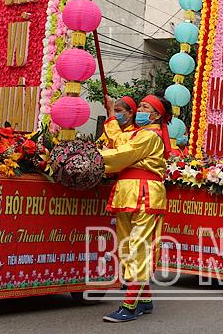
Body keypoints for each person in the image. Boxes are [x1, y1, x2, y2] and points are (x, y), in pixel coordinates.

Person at [100, 94, 171, 322]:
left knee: (138, 247)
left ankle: (129, 305)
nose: (139, 110)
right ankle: (145, 299)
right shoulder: (138, 134)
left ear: (156, 115)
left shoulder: (150, 136)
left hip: (144, 193)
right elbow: (119, 140)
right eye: (140, 106)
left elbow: (123, 153)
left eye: (144, 107)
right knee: (126, 245)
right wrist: (112, 113)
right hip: (129, 191)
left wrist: (94, 157)